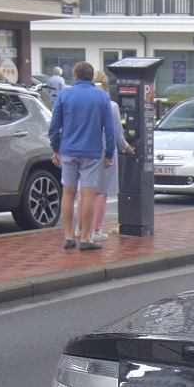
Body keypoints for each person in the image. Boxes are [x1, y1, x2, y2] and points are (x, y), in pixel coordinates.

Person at [48, 60, 116, 251]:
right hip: (92, 152)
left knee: (68, 193)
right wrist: (109, 153)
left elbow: (54, 126)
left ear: (75, 76)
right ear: (91, 76)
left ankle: (68, 236)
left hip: (68, 150)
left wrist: (55, 148)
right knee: (87, 194)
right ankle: (86, 238)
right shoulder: (101, 97)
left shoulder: (65, 94)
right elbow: (109, 128)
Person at [81, 71, 134, 242]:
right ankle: (96, 229)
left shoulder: (84, 103)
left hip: (84, 150)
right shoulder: (111, 106)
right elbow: (117, 134)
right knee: (100, 193)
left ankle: (80, 228)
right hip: (104, 151)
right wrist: (128, 148)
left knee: (85, 193)